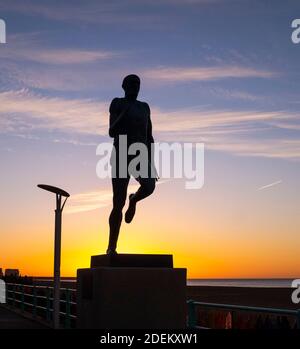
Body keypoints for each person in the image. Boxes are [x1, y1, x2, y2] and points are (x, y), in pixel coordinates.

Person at [106, 74, 157, 254]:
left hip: (140, 154)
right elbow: (111, 131)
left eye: (138, 84)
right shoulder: (117, 103)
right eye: (132, 83)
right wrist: (123, 114)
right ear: (124, 86)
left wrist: (151, 161)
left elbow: (149, 136)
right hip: (120, 152)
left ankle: (134, 199)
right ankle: (112, 247)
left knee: (150, 185)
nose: (136, 86)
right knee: (117, 203)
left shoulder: (144, 107)